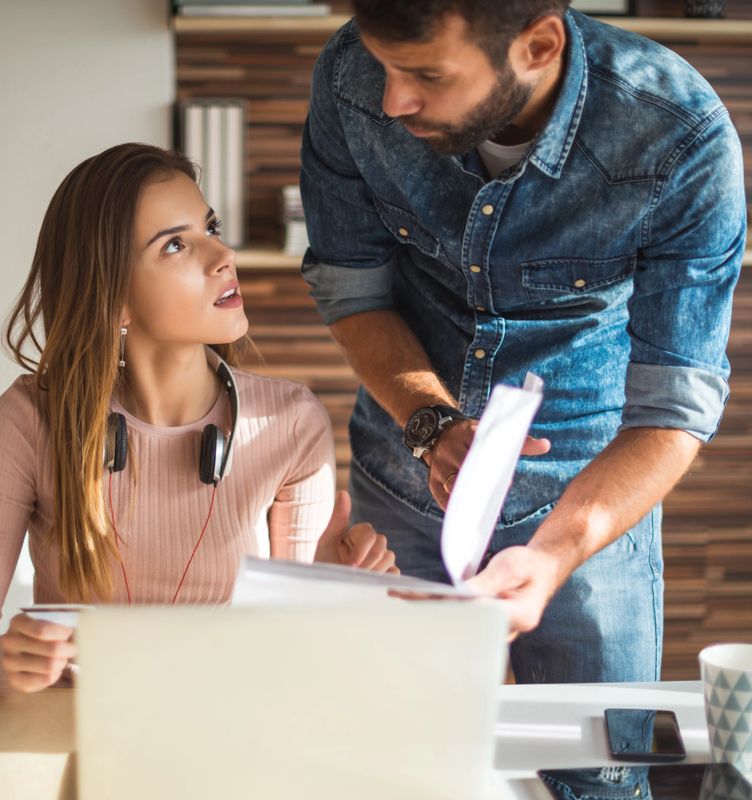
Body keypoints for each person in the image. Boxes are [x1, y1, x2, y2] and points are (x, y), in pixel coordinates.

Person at [300, 0, 746, 683]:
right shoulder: (350, 75)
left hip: (585, 504)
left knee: (595, 773)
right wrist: (432, 421)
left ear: (538, 45)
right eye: (384, 66)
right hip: (401, 474)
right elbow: (353, 291)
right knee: (389, 757)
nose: (391, 100)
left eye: (427, 74)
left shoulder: (679, 135)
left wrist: (552, 555)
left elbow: (675, 402)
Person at [0, 143, 397, 697]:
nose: (221, 256)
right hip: (82, 747)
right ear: (114, 298)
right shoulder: (28, 420)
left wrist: (337, 594)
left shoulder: (291, 422)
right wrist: (11, 663)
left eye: (211, 228)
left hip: (228, 739)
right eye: (176, 244)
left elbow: (299, 667)